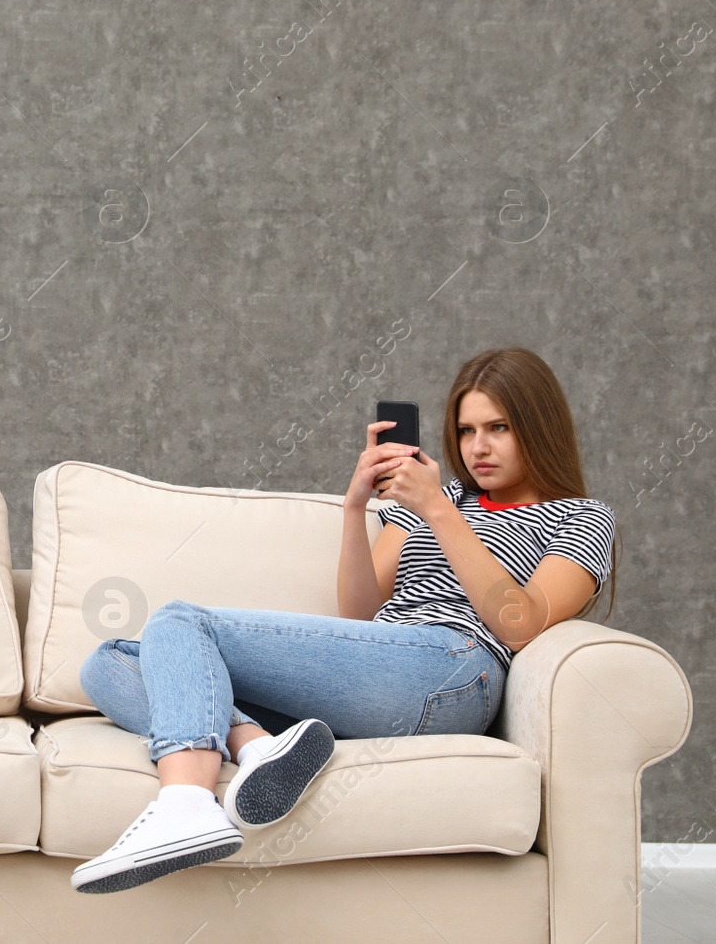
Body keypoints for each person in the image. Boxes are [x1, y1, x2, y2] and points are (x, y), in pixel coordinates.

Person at [70, 347, 618, 894]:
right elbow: (360, 612)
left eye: (498, 428)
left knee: (181, 622)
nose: (478, 447)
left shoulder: (580, 517)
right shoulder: (438, 497)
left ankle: (186, 804)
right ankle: (259, 747)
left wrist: (440, 511)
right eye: (467, 429)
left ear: (537, 426)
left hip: (452, 672)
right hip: (382, 666)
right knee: (110, 663)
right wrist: (356, 508)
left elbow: (520, 622)